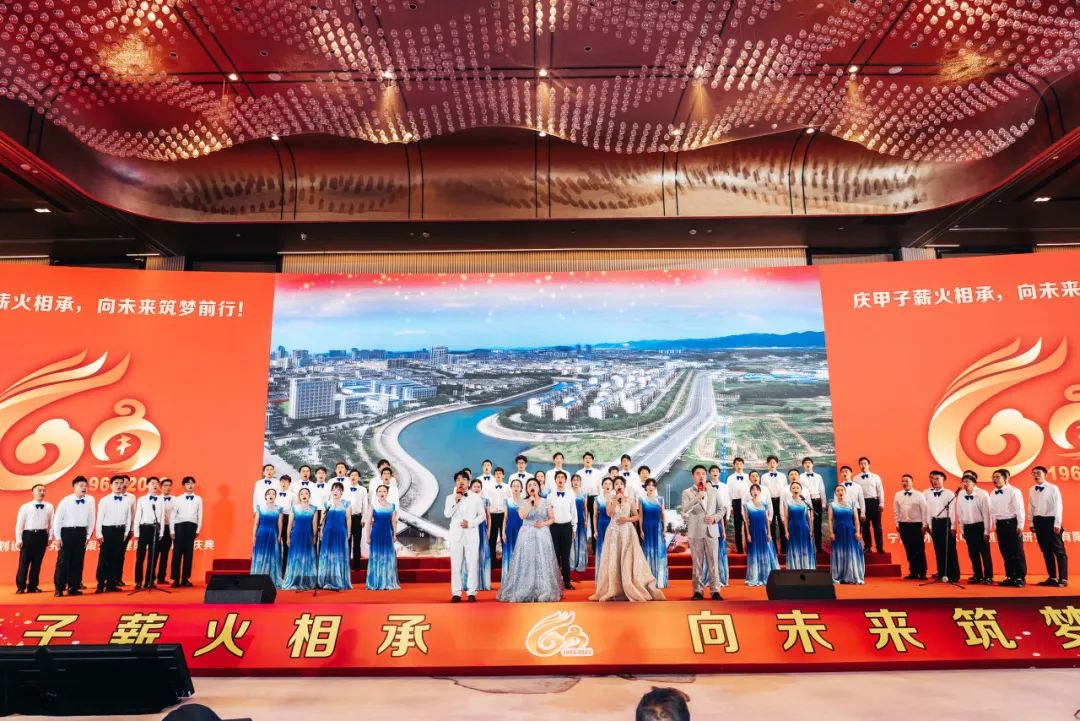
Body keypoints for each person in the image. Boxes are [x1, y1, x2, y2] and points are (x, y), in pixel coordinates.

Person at [591, 477, 665, 602]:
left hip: (627, 532)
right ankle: (613, 588)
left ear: (624, 487)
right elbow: (609, 513)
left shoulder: (629, 499)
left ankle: (629, 586)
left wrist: (627, 519)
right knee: (613, 559)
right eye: (616, 484)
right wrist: (615, 501)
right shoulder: (610, 498)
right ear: (614, 487)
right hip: (613, 532)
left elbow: (637, 516)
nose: (619, 485)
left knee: (627, 559)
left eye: (621, 484)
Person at [498, 478, 562, 602]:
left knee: (542, 560)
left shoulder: (546, 501)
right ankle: (525, 589)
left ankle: (543, 589)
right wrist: (530, 503)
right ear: (527, 489)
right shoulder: (522, 501)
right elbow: (522, 516)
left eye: (534, 485)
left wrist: (543, 523)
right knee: (527, 561)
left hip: (542, 534)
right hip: (526, 534)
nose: (532, 487)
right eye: (529, 485)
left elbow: (552, 518)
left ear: (538, 487)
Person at [681, 465, 722, 600]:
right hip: (695, 531)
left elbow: (722, 509)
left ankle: (715, 591)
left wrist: (715, 518)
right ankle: (698, 591)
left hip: (711, 530)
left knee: (713, 562)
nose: (701, 476)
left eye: (703, 473)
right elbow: (684, 510)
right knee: (697, 563)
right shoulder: (687, 492)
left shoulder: (713, 491)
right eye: (698, 473)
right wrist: (696, 498)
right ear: (693, 476)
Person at [52, 476, 94, 597]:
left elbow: (91, 518)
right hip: (67, 533)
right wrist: (58, 537)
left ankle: (73, 587)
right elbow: (57, 520)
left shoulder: (90, 500)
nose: (84, 488)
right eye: (81, 486)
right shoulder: (66, 501)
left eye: (85, 486)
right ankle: (59, 588)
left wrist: (88, 536)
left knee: (77, 561)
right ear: (75, 487)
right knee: (63, 561)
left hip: (81, 533)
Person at [1029, 465, 1068, 587]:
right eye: (1034, 473)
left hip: (1051, 521)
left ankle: (1063, 578)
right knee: (1046, 551)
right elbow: (1031, 507)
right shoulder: (1032, 489)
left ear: (1045, 474)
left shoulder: (1053, 488)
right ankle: (1052, 577)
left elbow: (1058, 506)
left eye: (1038, 473)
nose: (1036, 475)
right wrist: (1031, 522)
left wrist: (1057, 523)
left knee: (1059, 551)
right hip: (1039, 522)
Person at [990, 468, 1027, 587]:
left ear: (1005, 478)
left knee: (1017, 551)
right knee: (1005, 552)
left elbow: (1019, 509)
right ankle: (1010, 576)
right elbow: (992, 511)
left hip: (1012, 523)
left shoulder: (1014, 491)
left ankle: (1020, 577)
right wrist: (995, 524)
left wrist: (1020, 525)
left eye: (998, 477)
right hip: (1000, 525)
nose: (995, 479)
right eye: (993, 477)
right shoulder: (992, 493)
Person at [95, 476, 133, 593]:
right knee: (104, 558)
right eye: (116, 483)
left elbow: (128, 517)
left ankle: (111, 584)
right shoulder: (104, 500)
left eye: (121, 483)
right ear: (111, 485)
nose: (119, 485)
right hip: (107, 531)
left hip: (120, 531)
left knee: (116, 558)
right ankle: (100, 584)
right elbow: (99, 518)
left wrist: (126, 532)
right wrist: (99, 533)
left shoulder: (127, 501)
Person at [956, 471, 994, 584]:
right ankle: (977, 575)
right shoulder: (961, 494)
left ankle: (988, 576)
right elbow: (960, 513)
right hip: (968, 527)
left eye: (968, 482)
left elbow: (987, 514)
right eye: (963, 482)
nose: (965, 484)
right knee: (972, 553)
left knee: (985, 553)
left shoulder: (982, 494)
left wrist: (987, 531)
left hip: (980, 526)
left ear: (974, 482)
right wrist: (962, 529)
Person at [15, 483, 53, 594]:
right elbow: (19, 524)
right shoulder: (25, 507)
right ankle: (21, 586)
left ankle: (33, 586)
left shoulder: (49, 506)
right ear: (33, 492)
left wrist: (50, 537)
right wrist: (18, 539)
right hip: (28, 536)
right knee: (24, 563)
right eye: (39, 490)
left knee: (37, 563)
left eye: (44, 490)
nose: (42, 492)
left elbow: (52, 523)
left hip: (42, 536)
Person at [924, 470, 960, 581]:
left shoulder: (949, 494)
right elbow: (927, 511)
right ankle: (942, 573)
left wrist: (953, 526)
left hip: (946, 523)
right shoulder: (927, 493)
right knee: (938, 549)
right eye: (933, 479)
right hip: (934, 523)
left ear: (943, 480)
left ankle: (953, 575)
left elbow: (953, 511)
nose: (934, 481)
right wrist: (929, 525)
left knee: (949, 549)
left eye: (937, 479)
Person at [893, 473, 928, 580]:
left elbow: (924, 511)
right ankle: (913, 572)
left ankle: (922, 572)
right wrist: (897, 524)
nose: (905, 483)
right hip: (904, 525)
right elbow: (896, 511)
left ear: (912, 482)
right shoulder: (897, 495)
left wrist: (924, 525)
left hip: (917, 525)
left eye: (907, 480)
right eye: (903, 481)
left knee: (919, 549)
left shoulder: (919, 495)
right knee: (909, 550)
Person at [743, 483, 779, 586]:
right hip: (753, 531)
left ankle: (765, 576)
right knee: (754, 553)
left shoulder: (764, 504)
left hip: (763, 532)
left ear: (759, 492)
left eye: (757, 489)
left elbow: (767, 520)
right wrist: (748, 534)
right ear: (750, 492)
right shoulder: (746, 505)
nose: (755, 491)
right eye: (753, 490)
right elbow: (746, 521)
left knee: (764, 553)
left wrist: (769, 533)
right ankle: (754, 577)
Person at [318, 482, 352, 590]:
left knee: (338, 554)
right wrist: (321, 530)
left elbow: (348, 519)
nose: (335, 491)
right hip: (328, 531)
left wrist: (349, 532)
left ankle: (339, 579)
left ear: (342, 492)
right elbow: (322, 518)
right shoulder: (327, 503)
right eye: (333, 489)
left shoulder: (346, 504)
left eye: (338, 489)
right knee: (327, 554)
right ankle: (326, 579)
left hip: (340, 531)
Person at [133, 478, 166, 589]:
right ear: (147, 485)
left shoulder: (161, 500)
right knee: (140, 556)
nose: (155, 485)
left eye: (157, 483)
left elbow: (161, 517)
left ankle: (149, 580)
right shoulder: (141, 499)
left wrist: (161, 532)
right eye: (152, 483)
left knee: (153, 557)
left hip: (155, 529)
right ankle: (138, 581)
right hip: (144, 528)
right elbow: (138, 515)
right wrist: (137, 532)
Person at [169, 476, 202, 588]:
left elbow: (200, 514)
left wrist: (198, 529)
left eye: (192, 483)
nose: (190, 485)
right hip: (179, 526)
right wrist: (172, 530)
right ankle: (176, 579)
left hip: (192, 526)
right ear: (183, 486)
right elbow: (173, 515)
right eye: (188, 483)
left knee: (189, 554)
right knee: (177, 553)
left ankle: (185, 578)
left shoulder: (198, 499)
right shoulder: (177, 499)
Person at [366, 484, 400, 590]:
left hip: (387, 533)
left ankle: (387, 581)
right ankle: (375, 581)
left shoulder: (392, 506)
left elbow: (393, 522)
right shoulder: (373, 506)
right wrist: (367, 536)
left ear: (387, 493)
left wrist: (395, 534)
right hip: (376, 533)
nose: (382, 493)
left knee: (388, 556)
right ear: (377, 494)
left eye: (384, 491)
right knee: (376, 556)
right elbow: (368, 522)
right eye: (380, 491)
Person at [282, 487, 317, 590]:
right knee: (296, 557)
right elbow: (290, 523)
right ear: (299, 496)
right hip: (296, 535)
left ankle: (306, 581)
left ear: (309, 496)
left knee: (307, 557)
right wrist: (288, 537)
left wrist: (314, 536)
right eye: (302, 494)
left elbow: (314, 524)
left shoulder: (314, 508)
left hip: (308, 536)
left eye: (306, 493)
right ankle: (294, 580)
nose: (304, 495)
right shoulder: (294, 508)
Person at [548, 471, 577, 590]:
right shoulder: (550, 496)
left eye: (562, 477)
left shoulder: (571, 495)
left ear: (565, 480)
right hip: (554, 527)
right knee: (554, 556)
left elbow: (573, 512)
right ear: (555, 480)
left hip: (567, 527)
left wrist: (574, 528)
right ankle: (554, 583)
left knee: (566, 556)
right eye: (558, 477)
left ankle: (567, 582)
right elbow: (548, 513)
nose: (560, 479)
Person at [829, 484, 865, 584]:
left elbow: (856, 519)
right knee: (839, 552)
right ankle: (839, 575)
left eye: (842, 490)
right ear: (835, 493)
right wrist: (831, 533)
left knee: (850, 552)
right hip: (838, 531)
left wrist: (857, 531)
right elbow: (830, 520)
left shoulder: (852, 504)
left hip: (850, 531)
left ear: (845, 492)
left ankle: (852, 576)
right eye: (838, 491)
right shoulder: (832, 505)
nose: (840, 492)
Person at [703, 467, 730, 588]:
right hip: (704, 530)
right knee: (707, 553)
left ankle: (720, 578)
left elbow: (720, 517)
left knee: (718, 553)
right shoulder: (702, 502)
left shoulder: (717, 500)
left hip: (717, 528)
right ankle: (707, 578)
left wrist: (723, 530)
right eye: (707, 486)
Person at [251, 487, 283, 586]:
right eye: (269, 493)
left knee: (272, 556)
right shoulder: (260, 508)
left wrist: (279, 535)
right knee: (260, 555)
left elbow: (280, 523)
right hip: (261, 534)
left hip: (273, 534)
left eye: (273, 494)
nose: (271, 495)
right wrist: (254, 536)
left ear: (275, 496)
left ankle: (271, 579)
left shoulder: (279, 509)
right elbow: (256, 523)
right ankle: (258, 578)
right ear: (266, 496)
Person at [639, 478, 668, 588]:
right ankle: (648, 581)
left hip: (658, 528)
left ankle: (659, 581)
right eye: (648, 485)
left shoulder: (660, 499)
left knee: (659, 552)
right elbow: (640, 516)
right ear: (645, 487)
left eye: (652, 485)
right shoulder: (641, 499)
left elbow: (663, 514)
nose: (650, 487)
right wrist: (641, 530)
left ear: (655, 487)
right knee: (647, 552)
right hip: (647, 528)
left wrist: (665, 528)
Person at [782, 480, 815, 570]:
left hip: (804, 527)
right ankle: (794, 569)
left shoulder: (805, 502)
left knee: (805, 547)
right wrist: (786, 531)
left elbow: (809, 517)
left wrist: (811, 530)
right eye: (793, 488)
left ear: (801, 490)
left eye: (797, 488)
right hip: (792, 527)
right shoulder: (787, 502)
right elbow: (786, 517)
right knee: (794, 547)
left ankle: (806, 567)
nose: (795, 489)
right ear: (790, 490)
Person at [855, 457, 885, 554]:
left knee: (877, 526)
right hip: (862, 503)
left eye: (865, 463)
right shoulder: (856, 478)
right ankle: (867, 546)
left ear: (869, 465)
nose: (863, 465)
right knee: (865, 526)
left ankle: (880, 547)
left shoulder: (876, 477)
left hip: (874, 502)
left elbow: (880, 491)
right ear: (859, 465)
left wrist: (881, 503)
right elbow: (856, 494)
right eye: (861, 464)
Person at [798, 457, 826, 553]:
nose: (808, 464)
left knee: (817, 524)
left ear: (812, 464)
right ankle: (808, 547)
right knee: (807, 524)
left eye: (809, 462)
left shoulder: (818, 476)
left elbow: (822, 490)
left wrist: (823, 503)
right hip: (805, 502)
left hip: (817, 501)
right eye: (805, 463)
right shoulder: (800, 477)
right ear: (803, 465)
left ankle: (819, 547)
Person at [484, 463, 509, 564]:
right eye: (496, 473)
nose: (498, 475)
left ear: (503, 475)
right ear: (494, 475)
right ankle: (492, 562)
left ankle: (505, 562)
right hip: (492, 515)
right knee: (492, 539)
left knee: (504, 539)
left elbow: (510, 501)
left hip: (504, 515)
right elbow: (487, 503)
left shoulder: (508, 487)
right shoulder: (489, 488)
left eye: (500, 473)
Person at [761, 455, 786, 553]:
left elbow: (785, 489)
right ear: (767, 464)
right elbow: (763, 491)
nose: (772, 464)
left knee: (782, 523)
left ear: (777, 464)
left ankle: (784, 548)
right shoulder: (764, 477)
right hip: (769, 501)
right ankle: (773, 549)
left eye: (774, 462)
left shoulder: (783, 476)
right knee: (770, 524)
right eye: (770, 462)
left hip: (780, 500)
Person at [502, 478, 525, 578]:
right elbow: (505, 518)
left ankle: (521, 580)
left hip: (522, 531)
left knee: (521, 555)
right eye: (514, 486)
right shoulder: (507, 501)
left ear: (521, 488)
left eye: (518, 486)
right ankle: (508, 580)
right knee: (509, 554)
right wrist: (503, 532)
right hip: (509, 530)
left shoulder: (525, 502)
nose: (516, 488)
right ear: (511, 488)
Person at [154, 477, 175, 585]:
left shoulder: (176, 500)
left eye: (169, 485)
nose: (168, 487)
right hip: (157, 529)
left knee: (165, 554)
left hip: (169, 529)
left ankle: (161, 577)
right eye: (165, 485)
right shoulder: (156, 499)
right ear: (160, 487)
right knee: (154, 554)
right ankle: (151, 578)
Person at [345, 469, 367, 570]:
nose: (353, 477)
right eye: (351, 475)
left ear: (359, 477)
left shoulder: (363, 489)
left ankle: (356, 566)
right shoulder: (344, 489)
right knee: (347, 542)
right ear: (349, 477)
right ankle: (346, 565)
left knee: (357, 542)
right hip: (346, 518)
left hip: (357, 518)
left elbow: (365, 505)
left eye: (355, 475)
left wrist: (364, 518)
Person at [726, 458, 749, 554]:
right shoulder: (730, 478)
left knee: (748, 525)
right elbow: (728, 493)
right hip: (736, 502)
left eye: (740, 464)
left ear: (743, 465)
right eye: (737, 464)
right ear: (734, 465)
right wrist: (730, 506)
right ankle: (740, 549)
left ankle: (749, 548)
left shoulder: (748, 477)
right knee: (737, 526)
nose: (739, 466)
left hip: (747, 503)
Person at [579, 451, 601, 545]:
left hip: (594, 498)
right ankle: (582, 546)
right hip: (582, 498)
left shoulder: (598, 473)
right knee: (582, 521)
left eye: (589, 458)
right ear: (583, 460)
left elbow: (600, 487)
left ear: (592, 461)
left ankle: (595, 547)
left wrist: (599, 500)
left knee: (594, 522)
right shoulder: (579, 473)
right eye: (586, 458)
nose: (588, 460)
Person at [593, 477, 614, 571]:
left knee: (612, 549)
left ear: (612, 486)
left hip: (613, 526)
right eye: (605, 484)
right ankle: (601, 574)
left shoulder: (616, 498)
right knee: (601, 549)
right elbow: (595, 516)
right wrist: (595, 530)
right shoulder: (597, 499)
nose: (607, 486)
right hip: (601, 526)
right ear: (602, 486)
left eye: (609, 484)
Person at [275, 474, 294, 575]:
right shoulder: (275, 494)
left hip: (287, 519)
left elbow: (294, 510)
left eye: (286, 482)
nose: (284, 483)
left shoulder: (293, 495)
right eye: (282, 481)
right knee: (275, 543)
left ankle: (285, 570)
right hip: (275, 519)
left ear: (289, 483)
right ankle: (275, 569)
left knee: (287, 544)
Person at [571, 474, 588, 574]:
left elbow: (585, 507)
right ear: (571, 482)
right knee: (572, 540)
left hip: (581, 518)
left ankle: (581, 563)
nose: (576, 482)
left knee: (581, 539)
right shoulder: (568, 492)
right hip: (571, 519)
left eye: (577, 480)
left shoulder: (584, 493)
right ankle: (572, 563)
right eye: (574, 480)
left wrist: (586, 520)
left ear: (580, 482)